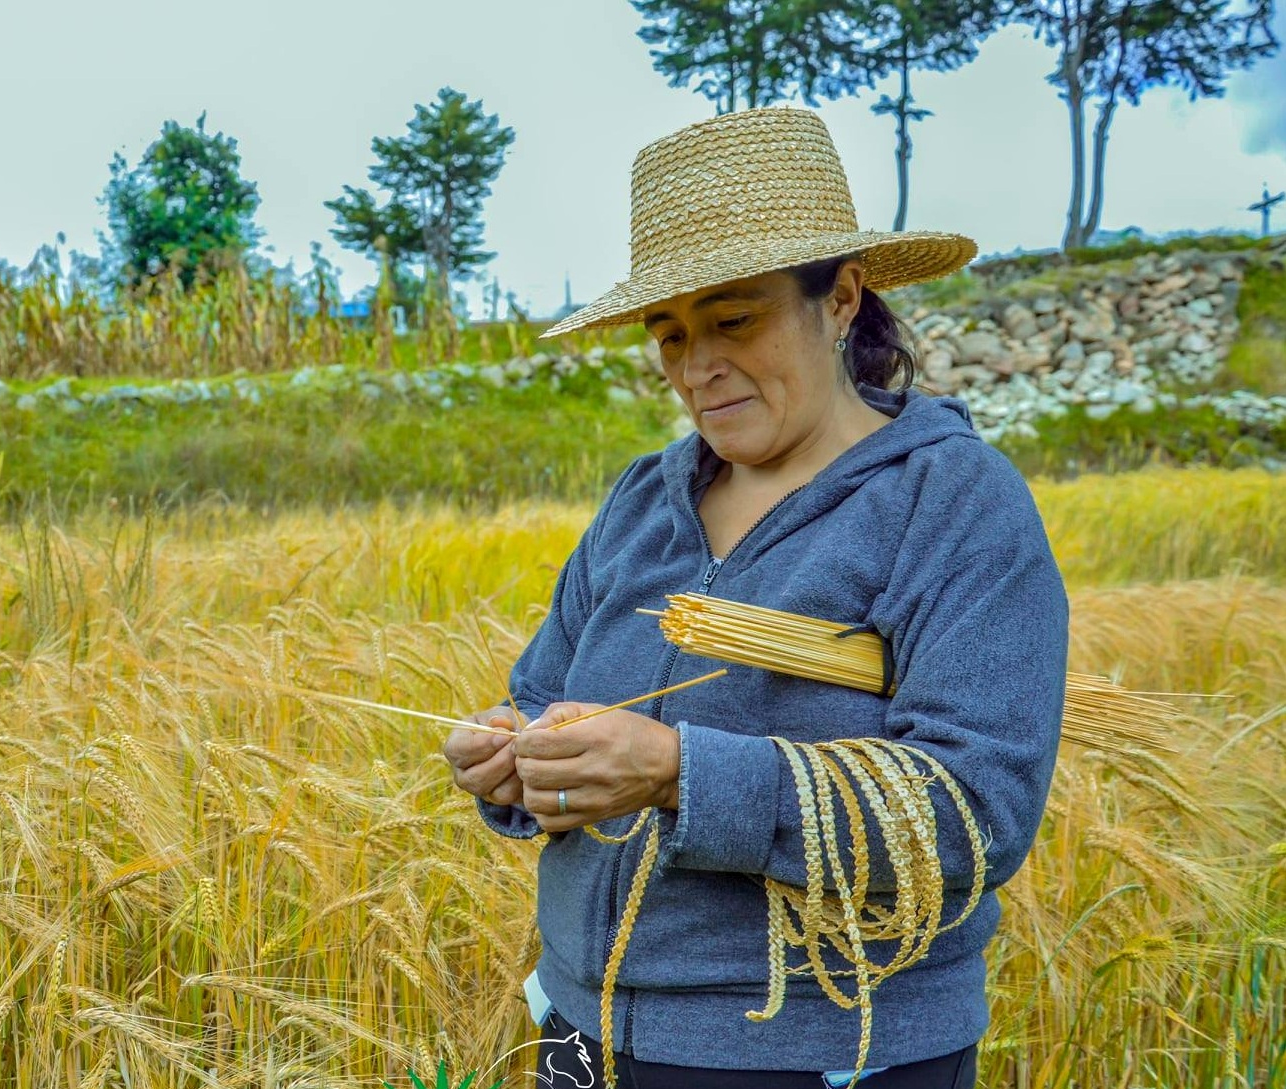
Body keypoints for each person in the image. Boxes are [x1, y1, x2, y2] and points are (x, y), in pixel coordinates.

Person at [440, 107, 1069, 1089]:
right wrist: (512, 758)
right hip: (582, 1028)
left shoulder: (949, 502)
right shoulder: (643, 503)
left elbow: (976, 811)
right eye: (669, 333)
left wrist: (676, 772)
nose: (696, 368)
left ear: (841, 299)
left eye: (733, 319)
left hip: (824, 1052)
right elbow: (540, 693)